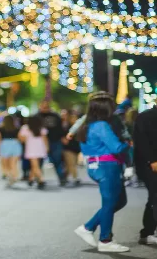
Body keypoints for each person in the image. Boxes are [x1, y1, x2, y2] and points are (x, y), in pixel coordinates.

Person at [73, 91, 130, 253]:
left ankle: (88, 227)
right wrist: (129, 144)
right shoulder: (101, 125)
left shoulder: (87, 125)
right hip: (107, 167)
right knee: (111, 203)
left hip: (97, 166)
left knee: (118, 201)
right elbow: (116, 147)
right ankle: (105, 240)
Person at [132, 105, 157, 245]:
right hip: (149, 165)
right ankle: (147, 232)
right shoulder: (146, 117)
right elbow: (141, 142)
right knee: (155, 196)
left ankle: (147, 232)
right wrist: (151, 160)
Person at [38, 100, 66, 186]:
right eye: (43, 106)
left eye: (46, 107)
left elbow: (60, 128)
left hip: (55, 141)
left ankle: (62, 178)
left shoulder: (55, 116)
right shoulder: (36, 116)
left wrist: (62, 137)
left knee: (57, 160)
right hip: (40, 143)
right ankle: (40, 179)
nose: (45, 108)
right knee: (39, 162)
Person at [18, 115, 48, 189]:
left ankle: (40, 180)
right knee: (35, 165)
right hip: (40, 147)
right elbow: (45, 139)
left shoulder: (25, 128)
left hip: (31, 148)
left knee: (35, 165)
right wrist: (47, 148)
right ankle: (33, 179)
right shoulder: (41, 128)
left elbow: (21, 139)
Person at [0, 115, 21, 187]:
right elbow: (20, 138)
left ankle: (10, 176)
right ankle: (14, 176)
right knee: (14, 163)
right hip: (15, 144)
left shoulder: (0, 128)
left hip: (5, 145)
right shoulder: (17, 128)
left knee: (6, 164)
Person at [62, 112, 82, 186]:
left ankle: (63, 177)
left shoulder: (79, 128)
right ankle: (75, 178)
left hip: (76, 148)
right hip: (68, 148)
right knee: (71, 163)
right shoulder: (66, 127)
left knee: (69, 165)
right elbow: (62, 135)